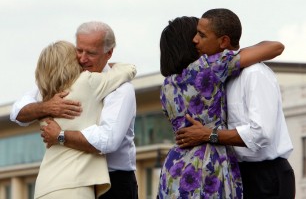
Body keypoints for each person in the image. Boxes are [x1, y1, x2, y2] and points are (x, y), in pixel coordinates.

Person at [158, 16, 284, 198]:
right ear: (189, 42)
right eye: (197, 35)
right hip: (207, 164)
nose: (198, 40)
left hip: (175, 166)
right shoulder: (208, 67)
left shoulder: (166, 86)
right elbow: (275, 47)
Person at [10, 21, 139, 199]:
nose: (83, 59)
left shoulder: (121, 89)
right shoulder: (61, 85)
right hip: (75, 182)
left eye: (91, 53)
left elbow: (108, 140)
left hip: (113, 181)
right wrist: (47, 106)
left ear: (109, 53)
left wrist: (60, 135)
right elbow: (17, 112)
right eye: (79, 50)